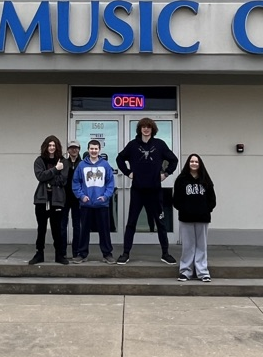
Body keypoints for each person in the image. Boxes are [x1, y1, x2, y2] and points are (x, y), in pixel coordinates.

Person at [116, 117, 178, 265]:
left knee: (160, 223)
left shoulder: (159, 145)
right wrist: (128, 173)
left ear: (152, 129)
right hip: (137, 190)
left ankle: (165, 253)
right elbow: (119, 159)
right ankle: (126, 253)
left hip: (155, 191)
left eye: (148, 127)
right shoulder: (132, 145)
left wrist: (166, 173)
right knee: (131, 222)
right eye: (143, 127)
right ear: (139, 129)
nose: (146, 129)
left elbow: (173, 160)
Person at [172, 154, 216, 282]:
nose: (194, 163)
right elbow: (176, 200)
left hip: (202, 218)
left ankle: (203, 272)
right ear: (188, 163)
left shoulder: (206, 180)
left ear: (200, 164)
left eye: (196, 161)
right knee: (188, 245)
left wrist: (206, 209)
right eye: (191, 161)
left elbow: (212, 199)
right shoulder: (181, 180)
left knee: (201, 245)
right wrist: (184, 209)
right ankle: (185, 271)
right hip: (186, 218)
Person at [71, 140, 116, 263]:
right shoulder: (81, 166)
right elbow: (76, 183)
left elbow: (110, 183)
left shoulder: (105, 165)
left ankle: (107, 254)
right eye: (91, 148)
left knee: (104, 231)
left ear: (99, 150)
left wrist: (105, 196)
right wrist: (81, 196)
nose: (94, 151)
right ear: (88, 149)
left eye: (96, 149)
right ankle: (82, 254)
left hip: (102, 204)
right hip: (86, 204)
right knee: (84, 230)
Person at [31, 135, 68, 265]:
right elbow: (40, 176)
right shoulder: (39, 160)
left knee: (56, 229)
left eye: (54, 145)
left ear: (57, 147)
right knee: (41, 228)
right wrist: (55, 170)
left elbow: (62, 180)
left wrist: (49, 176)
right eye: (49, 145)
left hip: (56, 200)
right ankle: (39, 253)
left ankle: (59, 255)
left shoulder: (63, 161)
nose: (52, 148)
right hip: (42, 199)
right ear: (45, 147)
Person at [62, 139, 82, 259]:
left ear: (79, 149)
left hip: (78, 198)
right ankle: (62, 252)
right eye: (71, 148)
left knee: (77, 226)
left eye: (76, 148)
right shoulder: (63, 163)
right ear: (68, 150)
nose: (73, 150)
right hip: (64, 198)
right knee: (62, 226)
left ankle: (76, 251)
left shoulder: (83, 163)